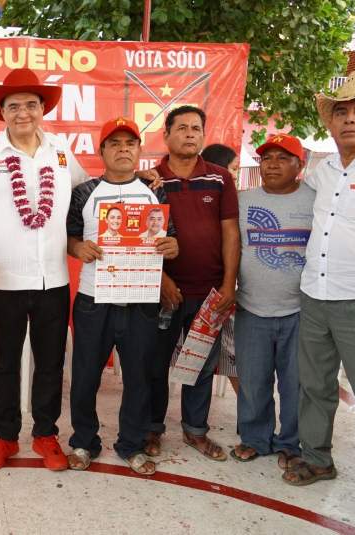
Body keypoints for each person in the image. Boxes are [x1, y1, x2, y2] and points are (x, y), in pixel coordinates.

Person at [0, 67, 87, 472]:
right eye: (14, 105)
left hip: (53, 278)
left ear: (42, 109)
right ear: (2, 111)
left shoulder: (62, 151)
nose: (23, 113)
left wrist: (137, 184)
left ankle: (45, 434)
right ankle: (4, 437)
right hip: (1, 280)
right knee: (5, 362)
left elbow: (88, 196)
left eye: (31, 105)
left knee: (50, 361)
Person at [282, 70, 355, 528]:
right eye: (342, 112)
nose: (350, 120)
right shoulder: (324, 170)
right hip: (315, 296)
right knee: (314, 386)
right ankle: (317, 458)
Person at [66, 117, 179, 475]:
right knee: (85, 375)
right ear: (102, 152)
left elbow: (171, 240)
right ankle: (84, 441)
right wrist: (77, 246)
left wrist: (172, 246)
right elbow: (68, 237)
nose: (123, 149)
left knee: (139, 376)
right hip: (92, 299)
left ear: (139, 150)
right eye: (114, 143)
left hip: (139, 300)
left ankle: (131, 444)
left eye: (129, 143)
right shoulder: (84, 191)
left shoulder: (154, 191)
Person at [146, 105, 240, 462]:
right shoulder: (149, 180)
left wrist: (229, 285)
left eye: (196, 128)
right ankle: (153, 428)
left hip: (210, 292)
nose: (189, 134)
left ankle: (195, 431)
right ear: (166, 135)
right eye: (181, 127)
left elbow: (231, 233)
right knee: (154, 363)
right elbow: (139, 239)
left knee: (201, 364)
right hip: (162, 292)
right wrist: (161, 281)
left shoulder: (220, 178)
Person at [229, 134, 313, 468]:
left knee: (296, 384)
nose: (273, 164)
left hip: (301, 311)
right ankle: (254, 439)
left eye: (282, 158)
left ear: (299, 165)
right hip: (252, 307)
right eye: (266, 158)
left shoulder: (316, 200)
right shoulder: (242, 200)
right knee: (252, 380)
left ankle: (291, 442)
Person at [200, 143, 241, 393]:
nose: (234, 175)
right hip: (204, 289)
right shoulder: (205, 198)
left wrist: (230, 284)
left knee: (235, 357)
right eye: (233, 168)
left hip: (229, 289)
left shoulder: (237, 198)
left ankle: (248, 416)